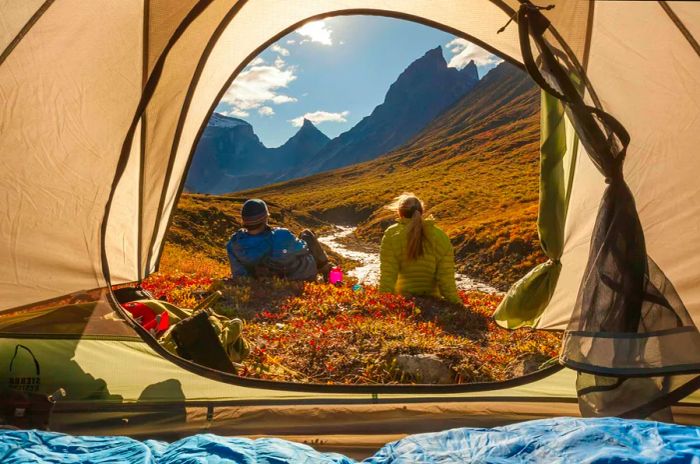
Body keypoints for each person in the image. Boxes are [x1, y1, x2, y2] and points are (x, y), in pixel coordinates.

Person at [379, 193, 460, 304]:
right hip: (432, 300)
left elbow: (388, 273)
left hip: (403, 300)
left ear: (399, 212)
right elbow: (446, 277)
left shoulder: (392, 234)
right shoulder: (440, 236)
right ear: (422, 211)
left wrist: (383, 301)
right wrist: (456, 303)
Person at [226, 199, 331, 281]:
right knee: (307, 235)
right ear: (265, 218)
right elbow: (303, 249)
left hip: (265, 282)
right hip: (300, 275)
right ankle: (330, 274)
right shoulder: (281, 235)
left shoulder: (234, 243)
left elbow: (238, 274)